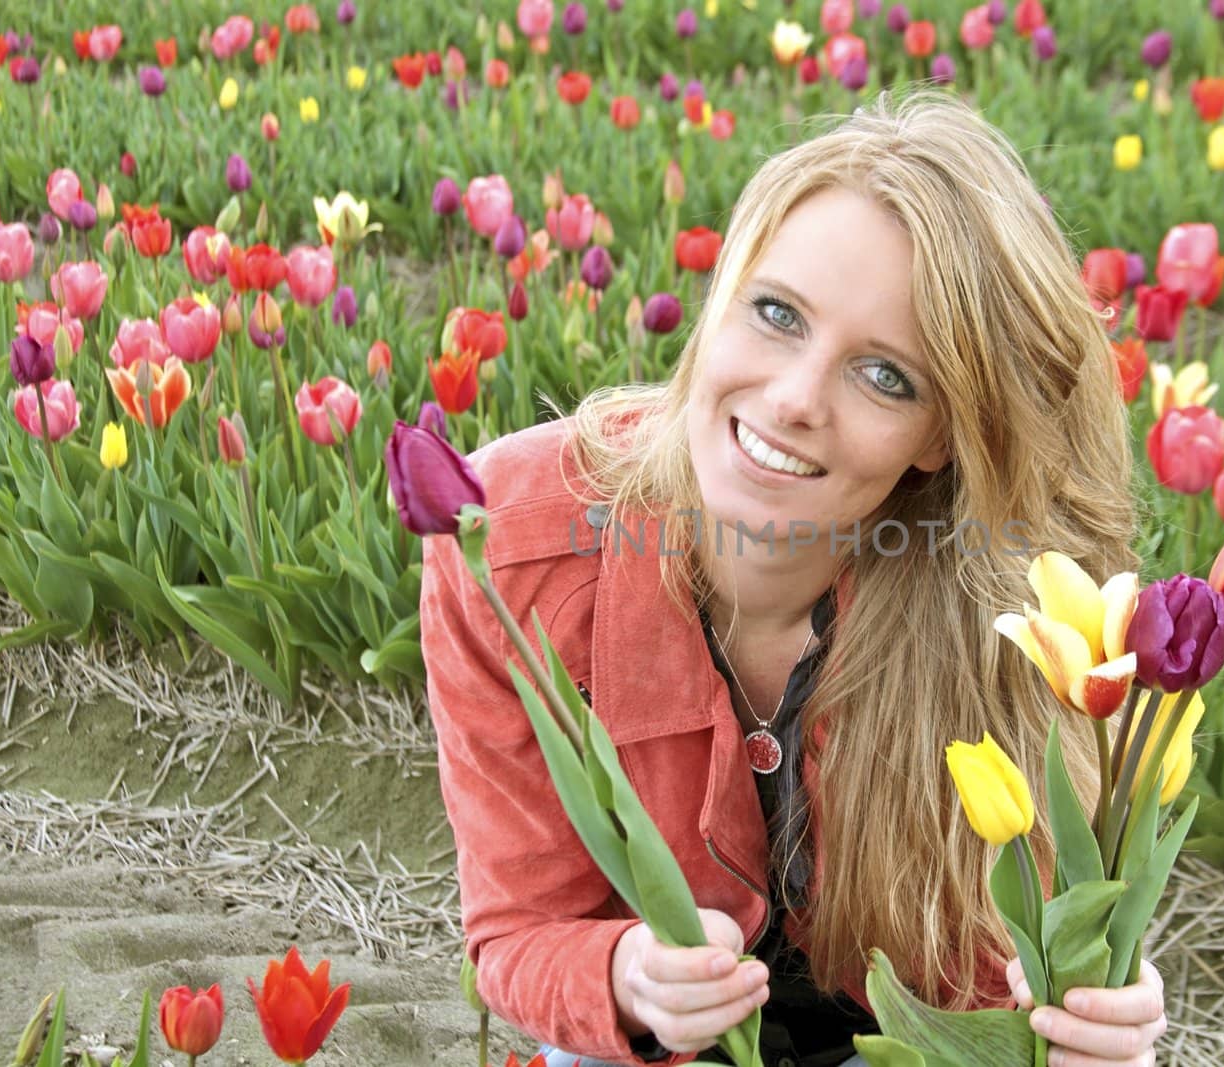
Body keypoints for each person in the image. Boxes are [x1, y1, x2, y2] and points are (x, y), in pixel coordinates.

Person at [420, 90, 1168, 1067]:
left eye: (884, 375)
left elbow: (996, 975)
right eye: (776, 313)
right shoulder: (509, 547)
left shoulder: (1013, 607)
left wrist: (1082, 1012)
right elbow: (516, 927)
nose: (793, 398)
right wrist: (620, 977)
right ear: (721, 294)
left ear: (942, 434)